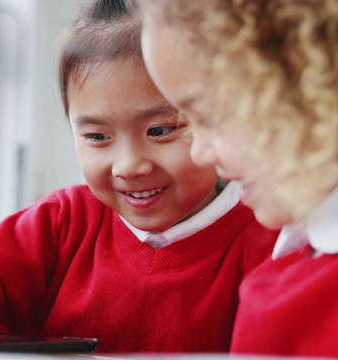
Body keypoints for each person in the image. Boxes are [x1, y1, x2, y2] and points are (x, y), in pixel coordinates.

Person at [0, 0, 278, 353]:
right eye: (97, 136)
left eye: (161, 130)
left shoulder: (271, 238)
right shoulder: (61, 224)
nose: (128, 165)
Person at [137, 0, 338, 357]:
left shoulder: (313, 299)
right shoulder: (288, 272)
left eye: (210, 117)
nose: (198, 152)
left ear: (305, 78)